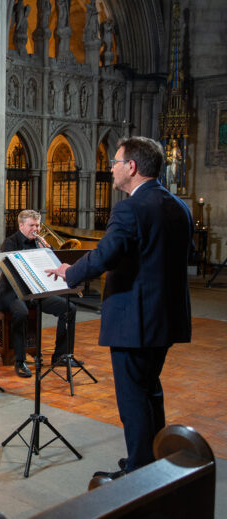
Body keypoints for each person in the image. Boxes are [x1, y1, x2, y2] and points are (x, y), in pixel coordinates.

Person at [46, 136, 193, 480]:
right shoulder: (178, 205)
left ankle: (140, 472)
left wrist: (72, 272)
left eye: (114, 161)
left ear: (132, 166)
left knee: (132, 398)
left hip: (135, 318)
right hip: (167, 317)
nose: (110, 167)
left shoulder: (130, 207)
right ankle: (153, 459)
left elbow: (105, 254)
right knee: (150, 389)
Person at [0, 209, 77, 378]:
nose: (36, 229)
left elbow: (55, 266)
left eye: (37, 225)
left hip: (35, 290)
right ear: (21, 225)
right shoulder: (10, 243)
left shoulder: (40, 243)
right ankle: (20, 361)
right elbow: (12, 271)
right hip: (12, 291)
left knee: (69, 308)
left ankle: (61, 355)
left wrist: (49, 250)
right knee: (21, 313)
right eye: (32, 225)